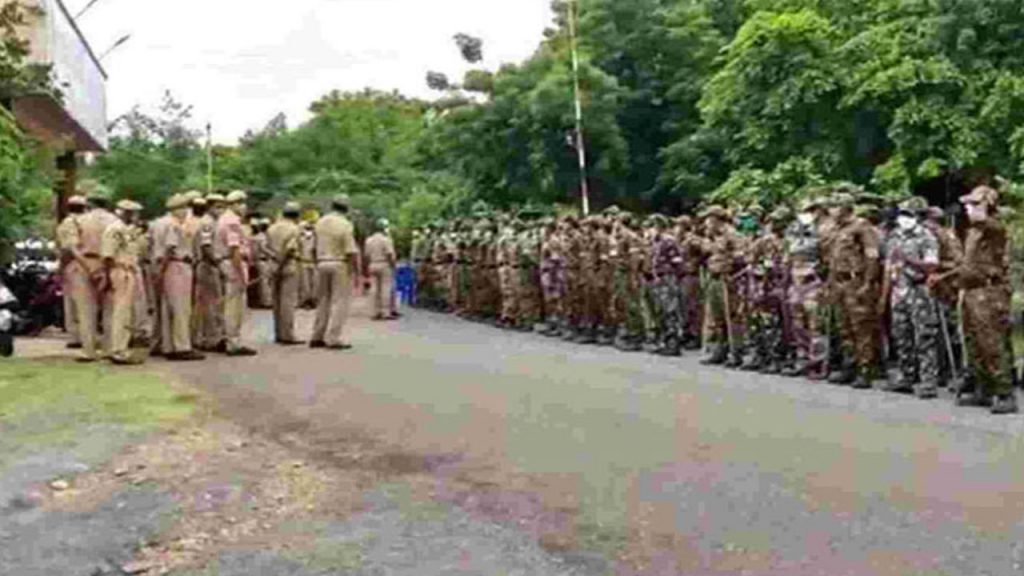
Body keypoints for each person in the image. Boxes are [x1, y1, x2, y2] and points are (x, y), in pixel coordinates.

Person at [931, 185, 1017, 414]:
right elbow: (968, 265)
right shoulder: (973, 232)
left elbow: (993, 225)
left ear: (988, 204)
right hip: (970, 292)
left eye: (974, 204)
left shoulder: (994, 228)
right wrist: (944, 276)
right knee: (973, 342)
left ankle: (1004, 392)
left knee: (992, 343)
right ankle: (983, 389)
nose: (968, 208)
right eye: (968, 205)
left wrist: (983, 210)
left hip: (989, 293)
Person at [883, 197, 940, 398]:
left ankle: (928, 381)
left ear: (918, 217)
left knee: (924, 337)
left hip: (919, 291)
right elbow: (889, 265)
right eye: (902, 214)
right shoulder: (894, 236)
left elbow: (932, 265)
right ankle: (906, 376)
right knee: (901, 335)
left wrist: (909, 260)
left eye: (908, 214)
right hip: (899, 290)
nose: (904, 218)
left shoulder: (926, 237)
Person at [828, 194, 882, 389]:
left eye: (835, 206)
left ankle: (865, 369)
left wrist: (867, 283)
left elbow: (872, 256)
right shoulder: (837, 229)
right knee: (844, 327)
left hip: (856, 281)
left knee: (861, 327)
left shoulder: (862, 227)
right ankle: (849, 365)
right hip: (839, 282)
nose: (831, 210)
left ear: (845, 208)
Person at [73, 191, 119, 362]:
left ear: (89, 204)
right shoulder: (115, 221)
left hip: (85, 264)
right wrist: (106, 270)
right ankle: (109, 348)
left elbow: (73, 248)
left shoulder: (79, 220)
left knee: (86, 310)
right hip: (110, 264)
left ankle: (89, 350)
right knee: (110, 309)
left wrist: (90, 268)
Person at [310, 194, 359, 350]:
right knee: (339, 302)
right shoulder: (345, 224)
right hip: (339, 263)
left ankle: (317, 336)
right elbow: (351, 251)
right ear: (346, 208)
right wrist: (354, 271)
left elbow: (312, 247)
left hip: (322, 262)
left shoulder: (320, 222)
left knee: (322, 300)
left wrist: (317, 262)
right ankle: (333, 337)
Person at [161, 194, 205, 361]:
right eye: (184, 208)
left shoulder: (164, 223)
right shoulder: (174, 225)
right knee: (181, 308)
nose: (186, 212)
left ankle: (169, 345)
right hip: (178, 265)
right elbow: (169, 250)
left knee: (169, 308)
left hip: (172, 266)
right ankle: (182, 347)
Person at [100, 200, 144, 365]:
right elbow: (108, 256)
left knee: (125, 312)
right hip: (120, 270)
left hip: (128, 270)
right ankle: (118, 350)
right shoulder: (115, 229)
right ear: (126, 213)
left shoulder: (127, 230)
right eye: (134, 213)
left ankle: (119, 347)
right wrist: (108, 276)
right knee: (121, 312)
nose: (136, 216)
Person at [215, 191, 258, 357]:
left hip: (229, 262)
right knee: (235, 306)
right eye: (242, 203)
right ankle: (233, 342)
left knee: (231, 304)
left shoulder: (225, 219)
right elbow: (235, 249)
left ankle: (229, 338)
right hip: (233, 264)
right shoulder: (231, 221)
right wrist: (241, 272)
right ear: (235, 204)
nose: (244, 206)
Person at [267, 202, 305, 344]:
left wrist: (275, 264)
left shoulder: (272, 228)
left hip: (272, 264)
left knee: (276, 302)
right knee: (287, 302)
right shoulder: (294, 229)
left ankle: (278, 333)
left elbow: (265, 247)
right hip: (288, 265)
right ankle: (287, 335)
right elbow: (290, 250)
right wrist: (281, 264)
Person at [194, 193, 226, 352]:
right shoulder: (207, 223)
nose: (221, 210)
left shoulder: (214, 221)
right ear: (210, 207)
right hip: (208, 265)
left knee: (209, 303)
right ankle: (212, 339)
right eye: (218, 206)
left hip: (211, 264)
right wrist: (217, 264)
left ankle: (205, 337)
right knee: (211, 304)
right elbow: (206, 246)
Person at [56, 195, 87, 350]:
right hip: (92, 263)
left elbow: (67, 249)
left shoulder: (68, 223)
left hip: (74, 265)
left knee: (73, 302)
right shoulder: (89, 221)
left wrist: (61, 268)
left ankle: (76, 336)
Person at [364, 218, 399, 321]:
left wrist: (366, 267)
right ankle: (385, 312)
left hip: (372, 264)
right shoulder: (386, 240)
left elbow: (366, 255)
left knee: (374, 289)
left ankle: (374, 312)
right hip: (384, 264)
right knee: (386, 289)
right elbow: (390, 254)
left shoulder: (369, 240)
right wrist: (393, 265)